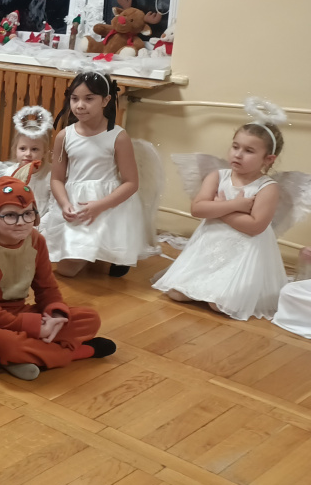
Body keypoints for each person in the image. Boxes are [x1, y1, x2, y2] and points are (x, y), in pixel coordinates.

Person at [0, 163, 115, 380]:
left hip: (18, 313)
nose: (21, 223)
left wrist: (55, 315)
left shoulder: (36, 241)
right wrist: (37, 328)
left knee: (89, 318)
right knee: (8, 344)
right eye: (10, 215)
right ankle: (78, 352)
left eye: (28, 213)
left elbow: (47, 288)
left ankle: (27, 356)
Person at [154, 120, 286, 320]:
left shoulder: (267, 187)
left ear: (268, 159)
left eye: (249, 151)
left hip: (243, 252)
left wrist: (219, 208)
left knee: (220, 305)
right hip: (210, 247)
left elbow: (254, 227)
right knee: (176, 293)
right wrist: (235, 205)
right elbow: (197, 209)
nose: (238, 154)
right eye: (235, 146)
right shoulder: (217, 176)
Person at [39, 72, 148, 277]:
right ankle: (92, 251)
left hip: (107, 204)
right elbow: (56, 179)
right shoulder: (64, 136)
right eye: (74, 98)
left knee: (88, 262)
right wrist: (64, 203)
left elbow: (131, 183)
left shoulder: (118, 136)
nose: (80, 105)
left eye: (89, 99)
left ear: (105, 100)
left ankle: (110, 252)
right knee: (66, 270)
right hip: (77, 204)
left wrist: (100, 206)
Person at [0, 105, 54, 219]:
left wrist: (38, 226)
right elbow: (2, 202)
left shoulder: (51, 175)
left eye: (34, 149)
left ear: (44, 152)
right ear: (15, 150)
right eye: (23, 148)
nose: (28, 154)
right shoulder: (9, 173)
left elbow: (53, 208)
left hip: (42, 222)